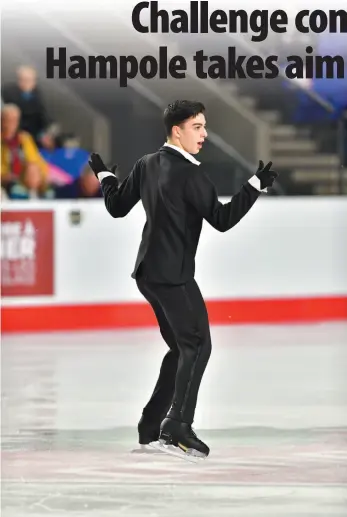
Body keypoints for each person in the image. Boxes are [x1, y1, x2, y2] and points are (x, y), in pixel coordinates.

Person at [88, 100, 279, 459]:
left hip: (148, 274)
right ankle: (177, 425)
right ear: (177, 130)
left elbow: (116, 207)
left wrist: (104, 175)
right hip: (173, 276)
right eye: (197, 127)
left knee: (180, 348)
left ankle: (151, 423)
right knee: (197, 346)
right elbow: (222, 219)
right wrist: (255, 185)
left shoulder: (146, 164)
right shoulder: (192, 175)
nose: (204, 134)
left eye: (205, 127)